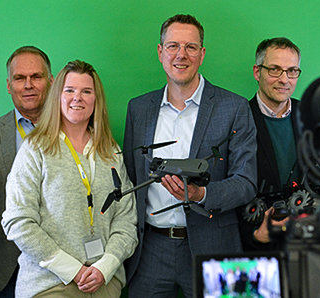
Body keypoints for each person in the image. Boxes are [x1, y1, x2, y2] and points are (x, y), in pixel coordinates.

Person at [123, 14, 257, 298]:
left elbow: (246, 182)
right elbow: (130, 179)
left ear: (202, 54)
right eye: (172, 46)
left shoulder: (234, 107)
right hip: (149, 252)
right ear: (160, 52)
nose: (181, 55)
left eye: (190, 47)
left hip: (215, 246)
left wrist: (200, 194)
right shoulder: (138, 109)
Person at [1, 60, 137, 298]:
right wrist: (72, 269)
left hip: (104, 282)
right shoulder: (35, 148)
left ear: (96, 100)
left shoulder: (110, 150)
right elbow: (18, 221)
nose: (78, 98)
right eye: (70, 90)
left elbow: (126, 219)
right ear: (57, 96)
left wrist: (105, 267)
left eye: (86, 91)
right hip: (50, 285)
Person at [0, 45, 53, 297]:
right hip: (11, 271)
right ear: (9, 85)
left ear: (50, 81)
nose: (28, 85)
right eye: (20, 78)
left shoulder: (77, 131)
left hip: (67, 268)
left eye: (36, 77)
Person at [239, 37, 302, 251]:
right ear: (258, 72)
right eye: (275, 70)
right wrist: (255, 235)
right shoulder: (237, 120)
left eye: (292, 71)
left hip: (304, 245)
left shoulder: (312, 116)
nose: (284, 79)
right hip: (258, 246)